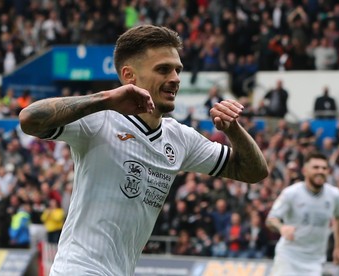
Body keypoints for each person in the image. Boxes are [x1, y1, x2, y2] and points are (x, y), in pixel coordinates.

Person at [19, 24, 268, 275]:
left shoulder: (181, 138)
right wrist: (106, 99)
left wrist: (234, 130)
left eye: (177, 70)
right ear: (129, 76)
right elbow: (29, 119)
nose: (175, 78)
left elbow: (253, 172)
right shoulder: (100, 120)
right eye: (163, 69)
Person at [266, 151, 339, 276]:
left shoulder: (335, 195)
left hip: (316, 260)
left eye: (324, 168)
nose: (320, 171)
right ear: (304, 171)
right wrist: (282, 228)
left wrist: (338, 247)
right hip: (288, 258)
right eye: (316, 167)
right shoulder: (291, 193)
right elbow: (271, 219)